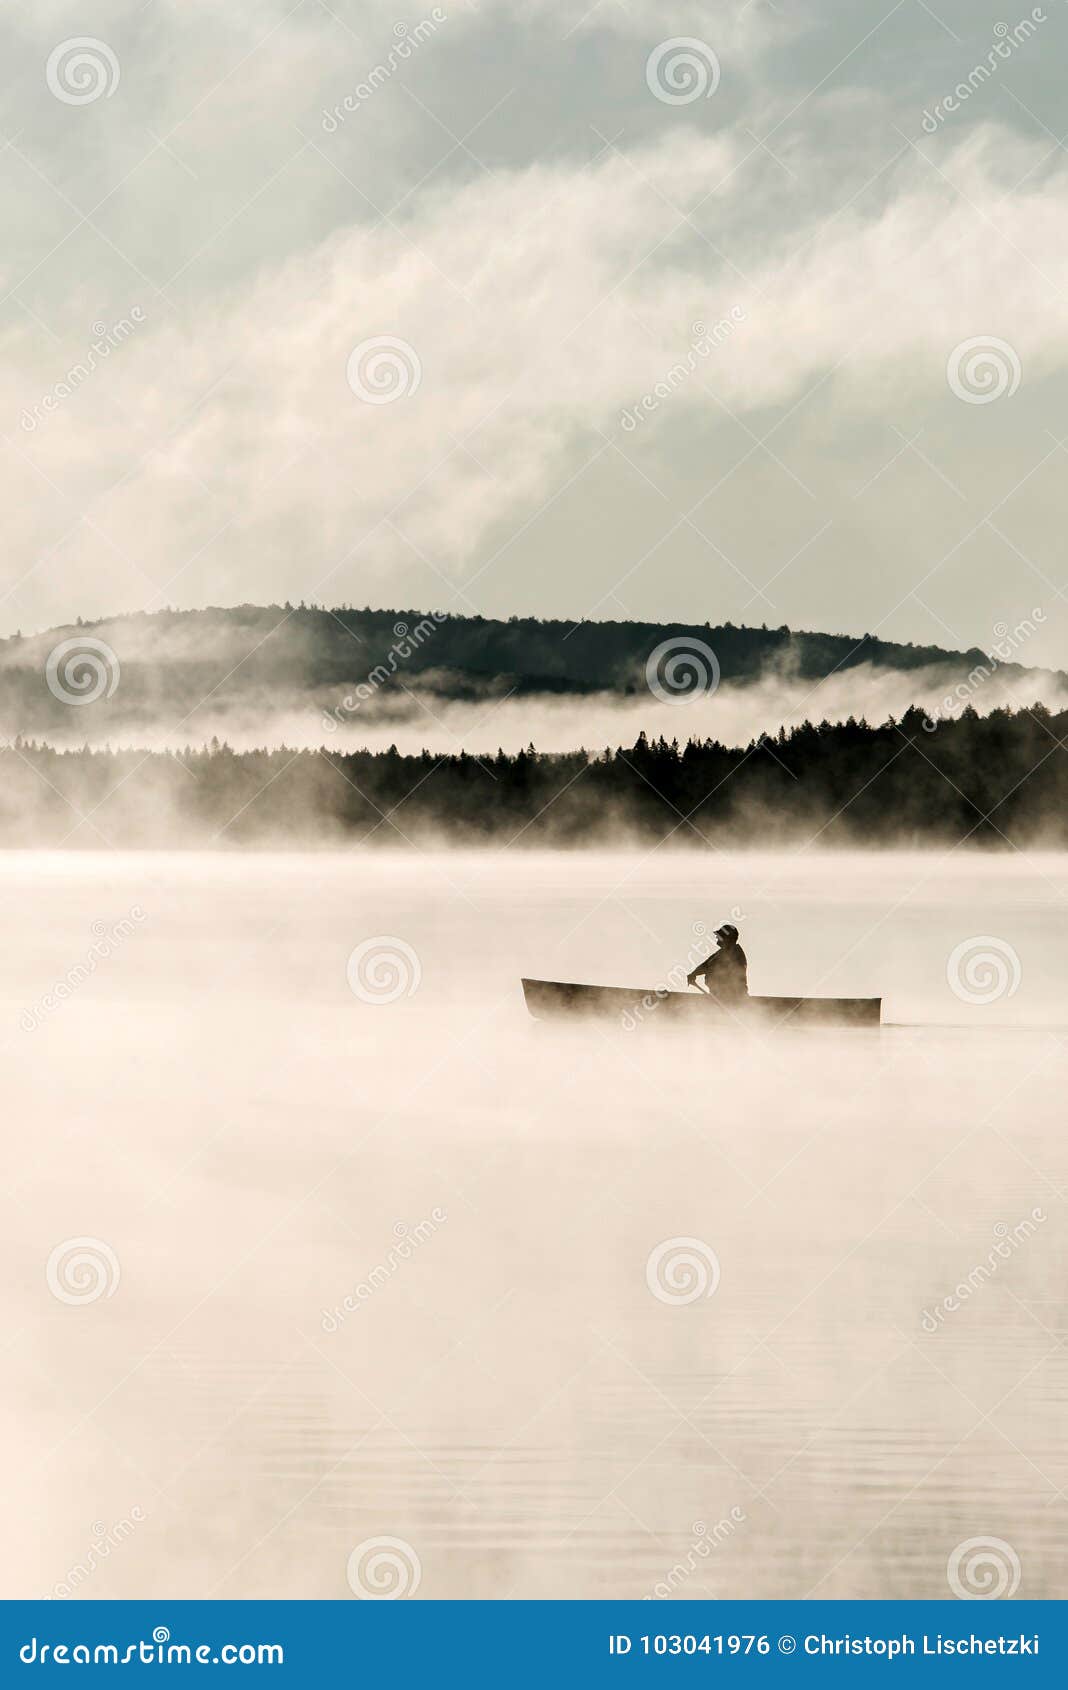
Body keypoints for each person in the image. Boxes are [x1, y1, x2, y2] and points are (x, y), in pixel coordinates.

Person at [687, 922, 748, 1004]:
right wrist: (694, 974)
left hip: (731, 998)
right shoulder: (722, 952)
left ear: (727, 938)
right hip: (719, 997)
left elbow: (711, 967)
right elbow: (706, 965)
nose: (716, 937)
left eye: (719, 935)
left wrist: (694, 974)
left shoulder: (734, 953)